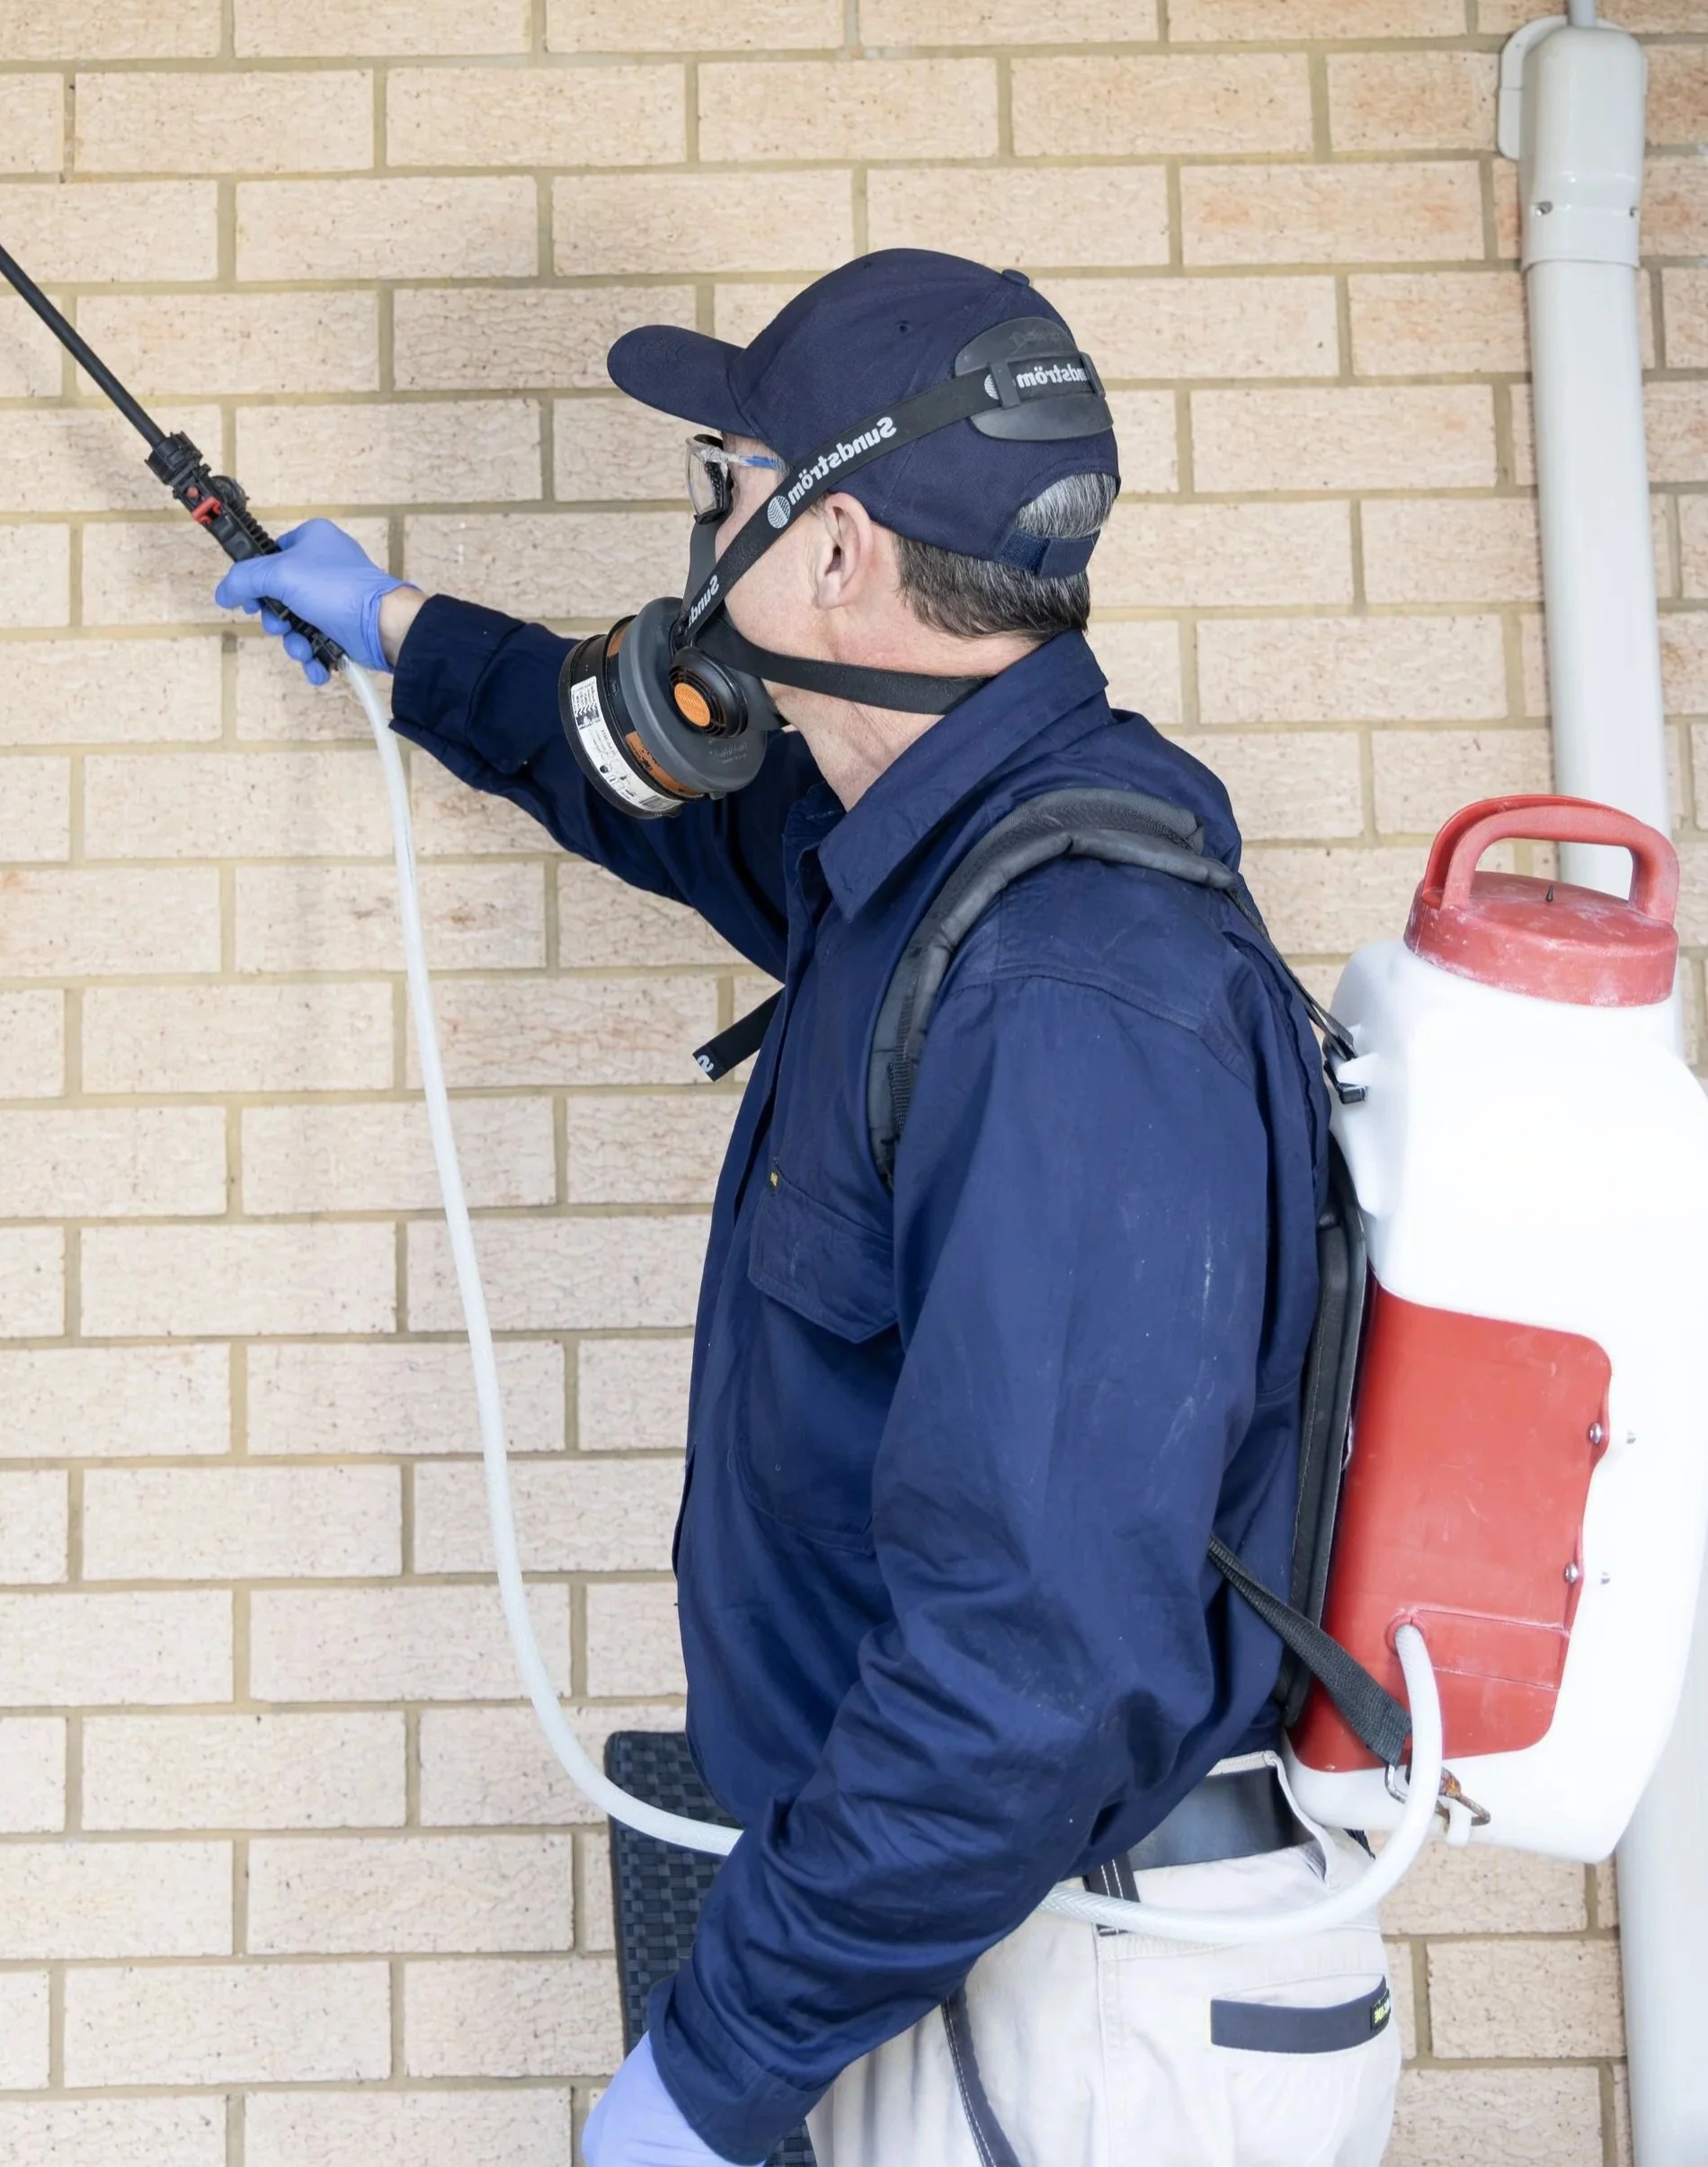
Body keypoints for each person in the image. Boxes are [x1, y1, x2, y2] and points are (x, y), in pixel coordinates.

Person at [215, 252, 1400, 2167]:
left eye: (721, 481)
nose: (699, 529)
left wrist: (710, 2069)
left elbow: (1028, 1665)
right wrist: (395, 629)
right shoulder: (937, 866)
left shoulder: (1061, 990)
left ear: (831, 546)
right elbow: (672, 799)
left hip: (1084, 2030)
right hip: (985, 1967)